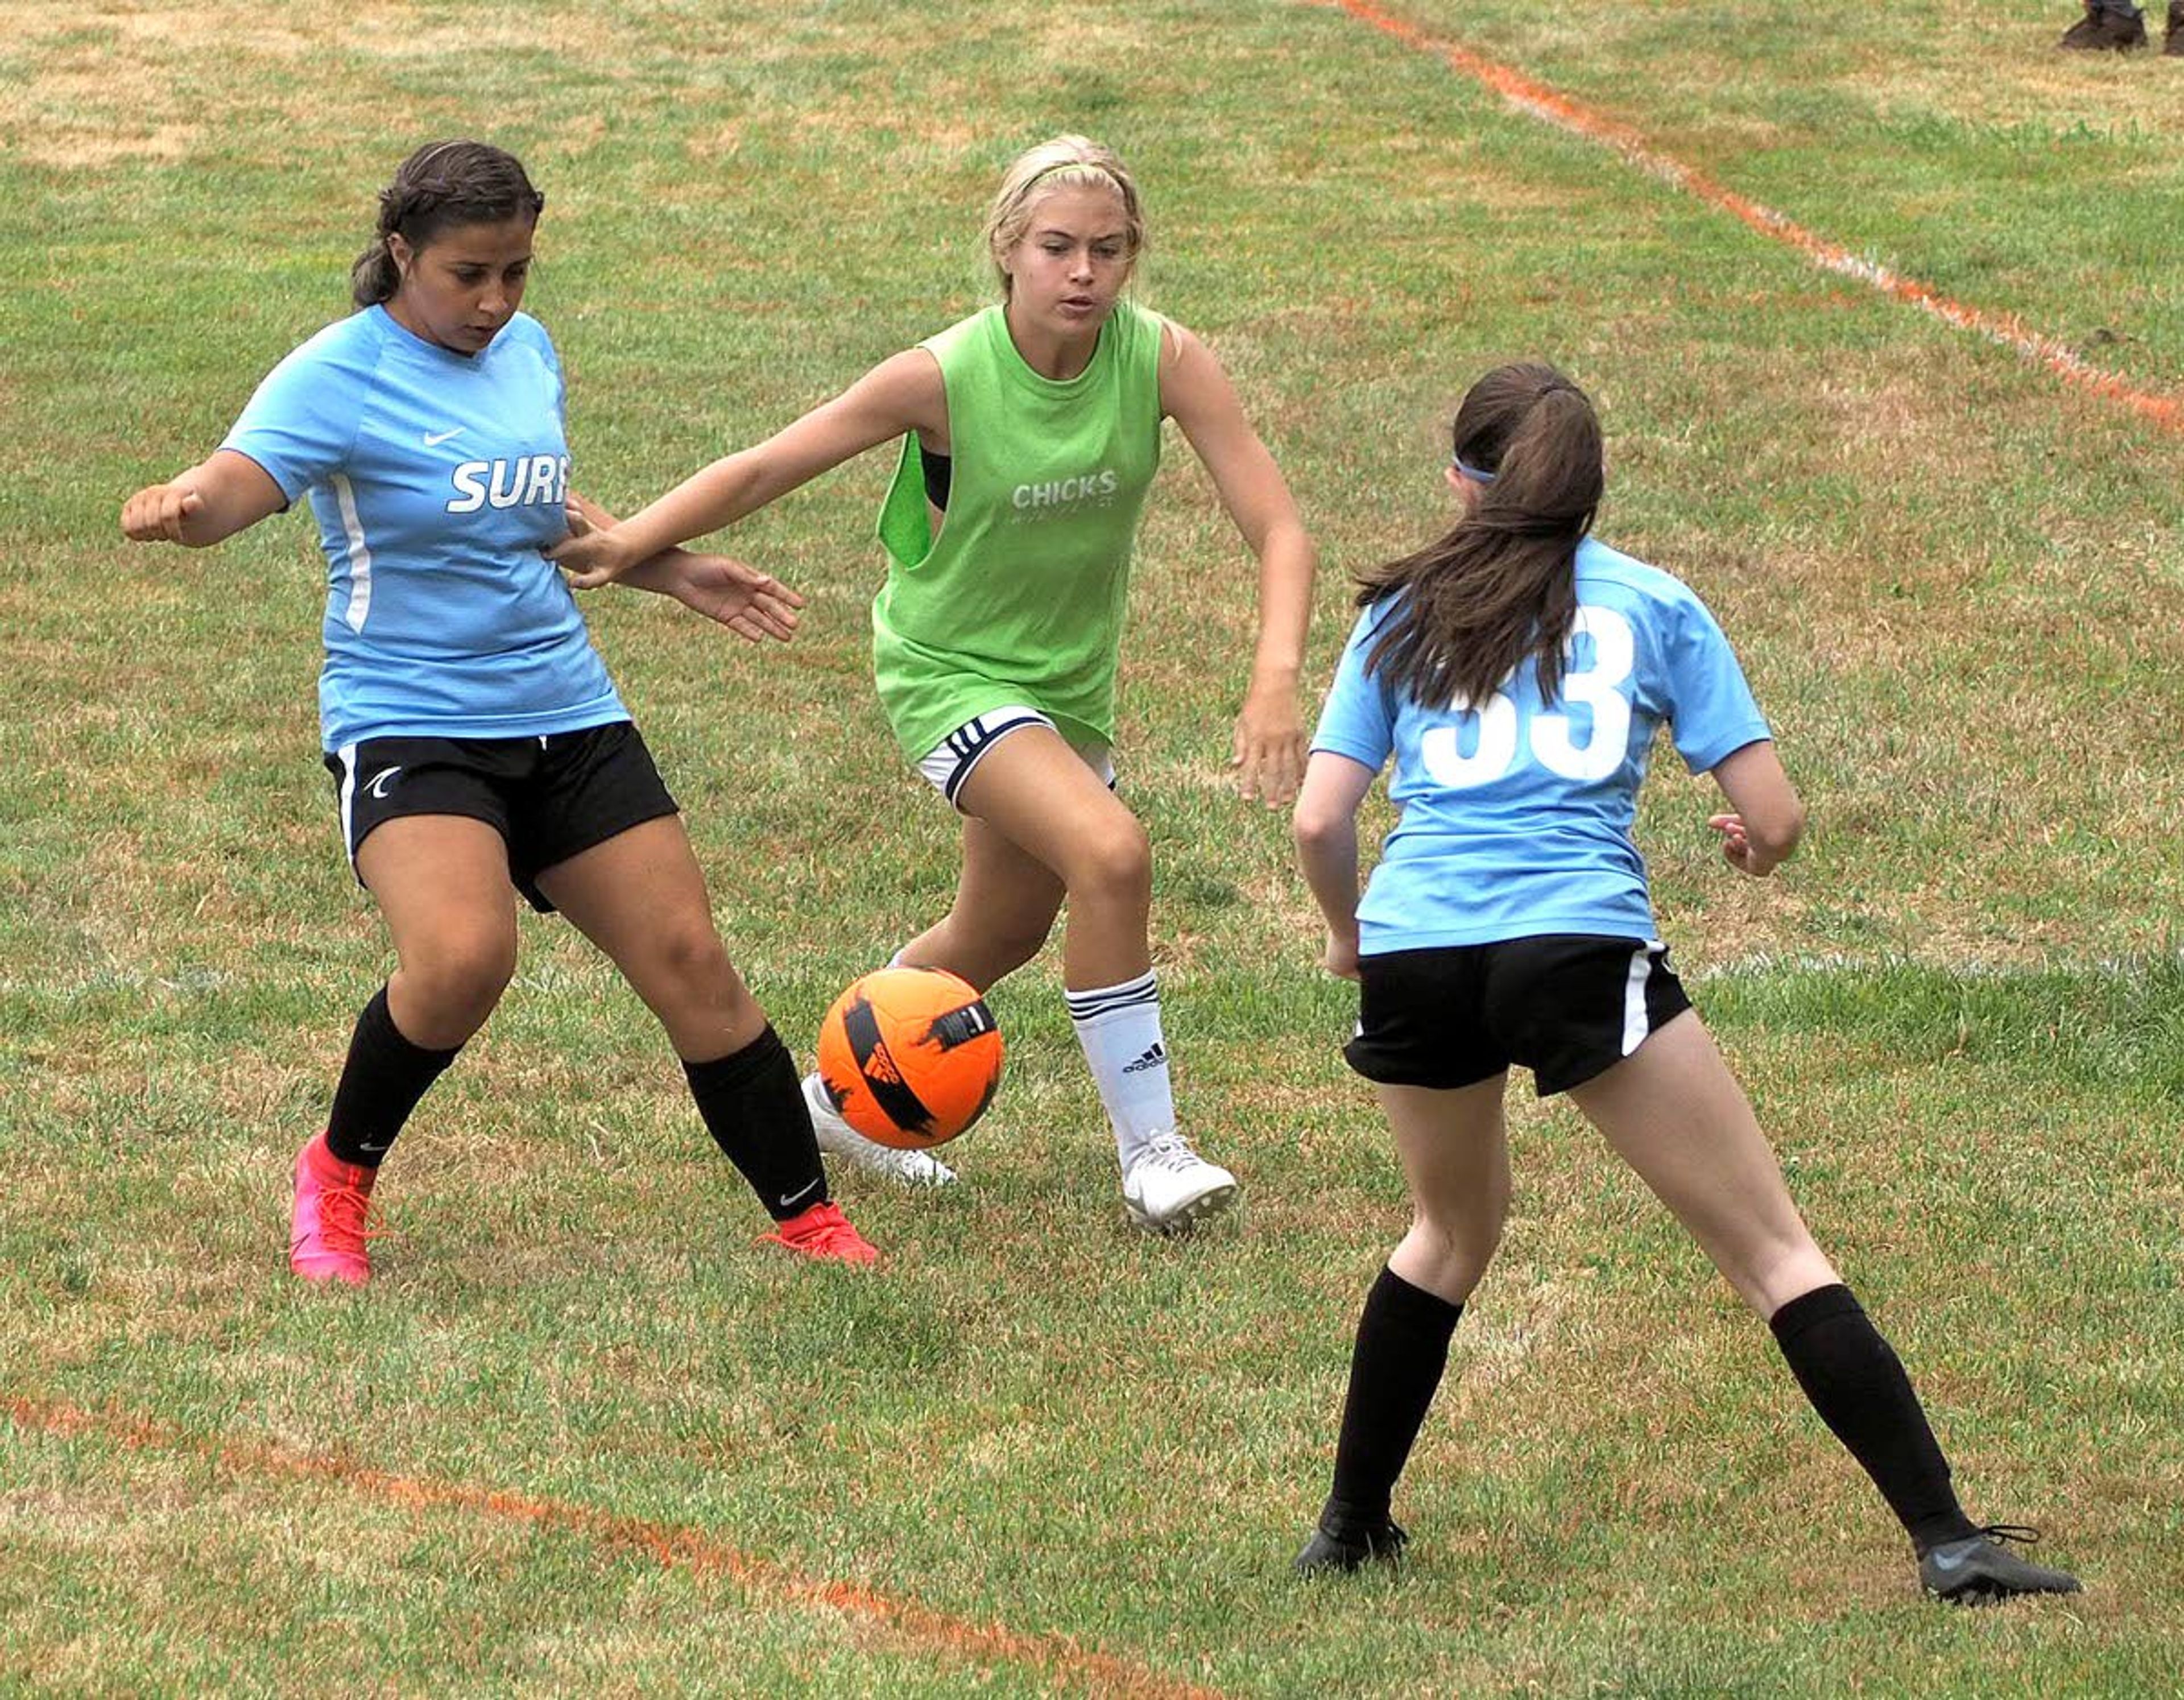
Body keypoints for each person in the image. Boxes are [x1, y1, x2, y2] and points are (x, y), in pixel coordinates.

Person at [1287, 362, 2080, 1602]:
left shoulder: (1396, 613)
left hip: (1418, 952)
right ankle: (1946, 1538)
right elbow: (1773, 814)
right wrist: (1757, 850)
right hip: (1575, 948)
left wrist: (1350, 937)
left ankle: (1349, 1526)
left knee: (1449, 1232)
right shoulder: (1654, 605)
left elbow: (1319, 818)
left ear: (1462, 484)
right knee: (1773, 1250)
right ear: (1592, 496)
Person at [119, 139, 879, 1281]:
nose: (494, 301)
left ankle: (809, 1219)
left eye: (515, 272)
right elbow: (237, 488)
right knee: (466, 956)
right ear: (400, 254)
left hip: (564, 704)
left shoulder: (527, 352)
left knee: (692, 960)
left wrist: (665, 565)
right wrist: (185, 507)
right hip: (411, 717)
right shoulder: (339, 372)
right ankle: (335, 1169)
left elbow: (529, 503)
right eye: (468, 274)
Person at [551, 135, 1316, 1234]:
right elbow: (771, 462)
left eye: (1107, 250)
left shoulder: (1164, 360)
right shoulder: (943, 375)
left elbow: (1280, 527)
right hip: (947, 673)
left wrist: (1274, 678)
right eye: (1057, 247)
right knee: (1113, 853)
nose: (1083, 272)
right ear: (1008, 249)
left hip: (1069, 693)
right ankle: (1153, 1154)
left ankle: (839, 1099)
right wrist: (637, 545)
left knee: (995, 934)